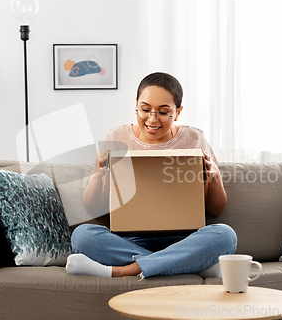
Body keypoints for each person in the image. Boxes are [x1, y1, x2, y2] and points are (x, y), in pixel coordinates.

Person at [65, 72, 237, 279]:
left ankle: (127, 269)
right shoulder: (116, 137)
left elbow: (216, 210)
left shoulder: (194, 139)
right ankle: (188, 263)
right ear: (136, 104)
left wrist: (215, 177)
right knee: (82, 236)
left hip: (183, 238)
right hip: (130, 239)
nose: (152, 119)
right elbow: (93, 208)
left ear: (178, 111)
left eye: (163, 112)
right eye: (145, 109)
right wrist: (97, 175)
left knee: (225, 235)